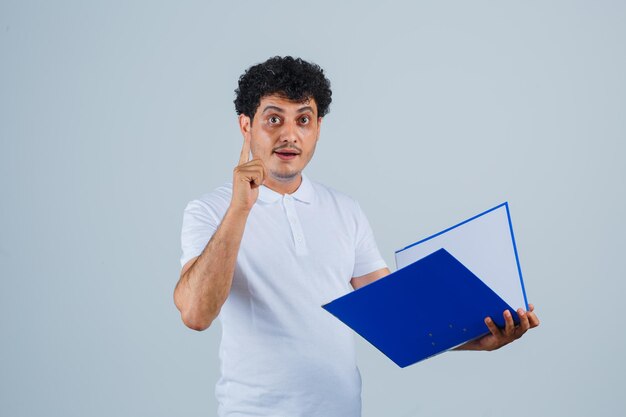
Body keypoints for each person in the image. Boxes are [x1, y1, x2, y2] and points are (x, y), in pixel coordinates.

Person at [173, 56, 539, 417]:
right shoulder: (209, 210)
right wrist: (240, 208)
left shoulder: (344, 210)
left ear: (317, 127)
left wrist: (479, 338)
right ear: (245, 125)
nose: (289, 134)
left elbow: (397, 314)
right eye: (273, 119)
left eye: (303, 120)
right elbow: (195, 313)